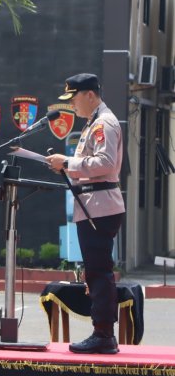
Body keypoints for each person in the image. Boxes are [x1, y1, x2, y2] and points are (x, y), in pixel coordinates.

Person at [46, 73, 124, 354]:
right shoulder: (93, 122)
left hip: (100, 205)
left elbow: (105, 162)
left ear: (90, 95)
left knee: (99, 272)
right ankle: (102, 331)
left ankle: (103, 334)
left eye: (74, 98)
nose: (72, 105)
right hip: (93, 204)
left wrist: (67, 161)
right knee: (95, 270)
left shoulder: (104, 123)